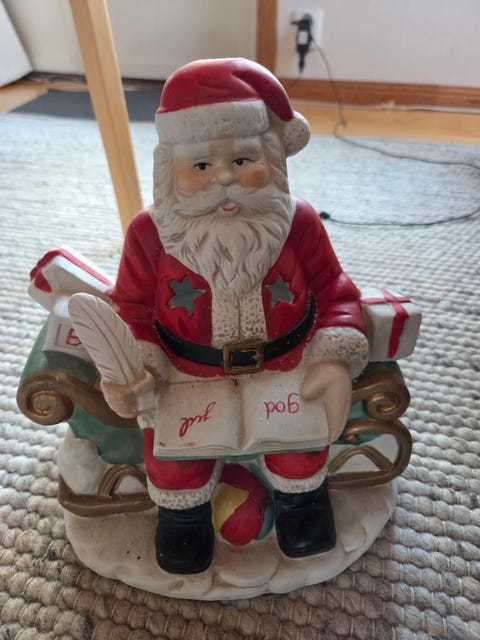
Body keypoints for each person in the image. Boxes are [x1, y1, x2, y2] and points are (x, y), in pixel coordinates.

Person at [103, 58, 369, 574]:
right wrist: (138, 364)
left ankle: (301, 503)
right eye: (201, 166)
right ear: (169, 169)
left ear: (273, 157)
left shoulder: (298, 222)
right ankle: (183, 517)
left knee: (299, 447)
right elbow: (130, 307)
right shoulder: (149, 234)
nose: (225, 177)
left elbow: (335, 292)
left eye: (244, 159)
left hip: (287, 365)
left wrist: (334, 357)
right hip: (185, 372)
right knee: (176, 455)